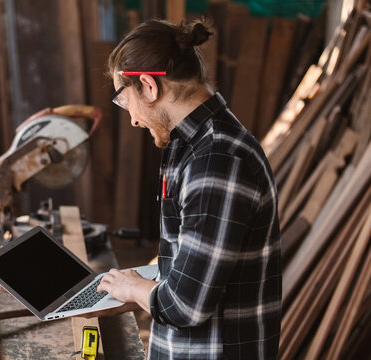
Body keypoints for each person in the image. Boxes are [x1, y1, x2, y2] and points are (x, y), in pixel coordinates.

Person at [91, 19, 282, 359]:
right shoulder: (192, 145)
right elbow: (187, 263)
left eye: (124, 99)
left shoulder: (217, 160)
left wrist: (134, 287)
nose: (133, 119)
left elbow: (185, 305)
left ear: (149, 86)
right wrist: (134, 287)